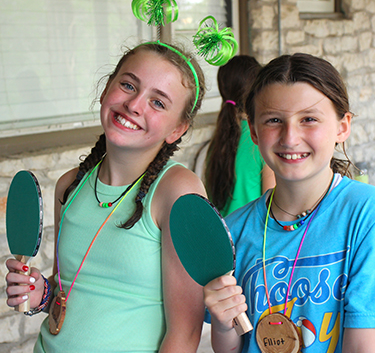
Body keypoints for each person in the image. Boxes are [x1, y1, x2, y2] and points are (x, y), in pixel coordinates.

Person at [5, 41, 207, 352]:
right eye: (128, 85)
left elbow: (185, 334)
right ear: (106, 89)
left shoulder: (177, 191)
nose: (135, 104)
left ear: (177, 129)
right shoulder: (69, 187)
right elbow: (67, 293)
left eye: (158, 103)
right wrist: (41, 295)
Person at [203, 53, 375, 352]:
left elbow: (363, 344)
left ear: (342, 126)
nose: (290, 137)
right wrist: (222, 323)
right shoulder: (232, 231)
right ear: (254, 131)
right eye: (274, 120)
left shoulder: (365, 214)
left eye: (309, 119)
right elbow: (230, 347)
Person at [195, 55, 274, 217]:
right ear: (257, 90)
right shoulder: (261, 141)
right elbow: (272, 209)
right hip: (251, 238)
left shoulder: (214, 146)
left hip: (222, 237)